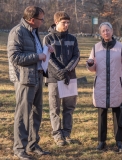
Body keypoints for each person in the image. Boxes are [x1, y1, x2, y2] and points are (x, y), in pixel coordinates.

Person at [7, 6, 53, 160]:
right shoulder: (17, 32)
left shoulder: (33, 31)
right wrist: (38, 56)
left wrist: (46, 51)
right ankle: (19, 149)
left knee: (36, 113)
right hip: (24, 79)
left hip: (38, 76)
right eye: (41, 19)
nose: (43, 22)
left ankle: (32, 144)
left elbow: (36, 51)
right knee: (23, 115)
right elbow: (15, 57)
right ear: (32, 20)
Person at [86, 22, 122, 152]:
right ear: (101, 33)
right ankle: (101, 141)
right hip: (101, 85)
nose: (106, 33)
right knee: (102, 114)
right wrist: (90, 65)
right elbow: (93, 68)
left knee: (117, 113)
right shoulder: (96, 48)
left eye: (108, 30)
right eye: (103, 31)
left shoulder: (121, 48)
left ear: (112, 31)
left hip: (117, 85)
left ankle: (119, 141)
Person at [43, 11, 80, 146]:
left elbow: (77, 56)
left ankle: (66, 133)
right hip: (53, 78)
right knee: (55, 107)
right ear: (56, 22)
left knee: (69, 107)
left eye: (68, 22)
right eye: (64, 22)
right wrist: (59, 71)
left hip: (70, 77)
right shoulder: (48, 38)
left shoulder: (72, 38)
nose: (66, 25)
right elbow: (48, 57)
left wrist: (67, 70)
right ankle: (57, 134)